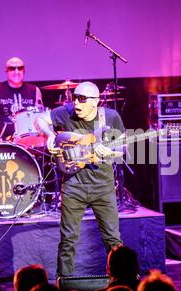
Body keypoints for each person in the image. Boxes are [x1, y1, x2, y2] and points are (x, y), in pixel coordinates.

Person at [34, 81, 124, 277]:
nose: (77, 103)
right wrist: (49, 135)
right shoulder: (66, 112)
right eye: (75, 98)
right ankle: (64, 283)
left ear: (96, 101)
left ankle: (121, 283)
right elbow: (40, 119)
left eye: (82, 99)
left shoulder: (110, 117)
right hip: (74, 186)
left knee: (113, 240)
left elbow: (123, 149)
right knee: (68, 239)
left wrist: (110, 152)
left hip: (103, 186)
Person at [0, 57, 43, 142]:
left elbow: (40, 119)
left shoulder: (35, 90)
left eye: (20, 68)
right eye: (12, 69)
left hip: (28, 143)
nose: (16, 72)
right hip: (2, 143)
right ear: (6, 71)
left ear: (24, 71)